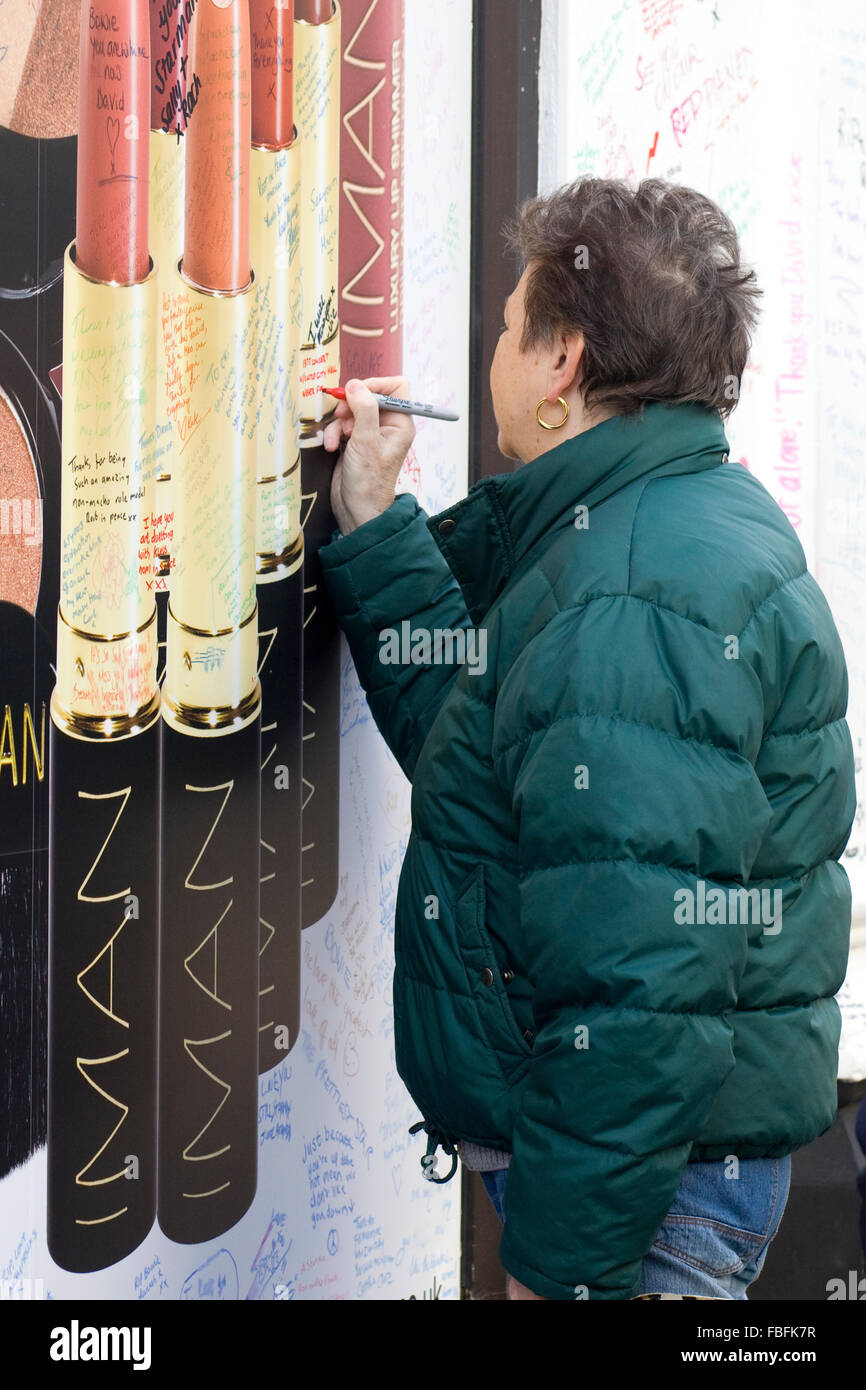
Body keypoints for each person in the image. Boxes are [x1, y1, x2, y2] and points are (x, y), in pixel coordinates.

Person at [318, 177, 856, 1300]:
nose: (493, 353)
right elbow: (497, 781)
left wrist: (561, 1272)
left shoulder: (630, 593)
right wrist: (374, 523)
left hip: (638, 1213)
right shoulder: (665, 523)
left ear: (561, 361)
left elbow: (636, 996)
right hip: (651, 1186)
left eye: (509, 326)